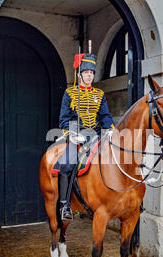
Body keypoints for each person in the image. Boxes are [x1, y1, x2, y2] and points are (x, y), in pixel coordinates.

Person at [57, 53, 115, 221]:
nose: (89, 75)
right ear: (79, 74)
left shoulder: (100, 94)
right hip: (77, 134)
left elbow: (105, 115)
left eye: (92, 72)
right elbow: (63, 119)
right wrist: (72, 135)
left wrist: (110, 129)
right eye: (86, 72)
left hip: (97, 134)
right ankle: (64, 205)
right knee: (67, 164)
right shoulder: (70, 93)